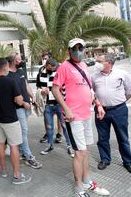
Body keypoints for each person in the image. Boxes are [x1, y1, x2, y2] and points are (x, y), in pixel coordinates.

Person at [52, 38, 109, 197]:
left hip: (86, 114)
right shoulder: (64, 67)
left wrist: (97, 104)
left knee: (86, 150)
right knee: (79, 152)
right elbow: (55, 90)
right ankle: (78, 187)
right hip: (73, 117)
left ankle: (88, 181)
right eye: (74, 48)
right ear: (69, 50)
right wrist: (66, 109)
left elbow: (89, 89)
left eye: (81, 48)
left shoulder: (84, 65)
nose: (78, 51)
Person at [92, 53, 131, 176]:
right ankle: (105, 159)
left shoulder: (122, 74)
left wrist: (118, 103)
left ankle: (128, 162)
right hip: (101, 111)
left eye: (99, 61)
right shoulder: (94, 76)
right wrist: (99, 104)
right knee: (102, 137)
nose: (97, 63)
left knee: (123, 137)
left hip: (119, 110)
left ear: (109, 63)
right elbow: (91, 93)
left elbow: (130, 92)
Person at [0, 58, 31, 185]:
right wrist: (22, 102)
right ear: (5, 68)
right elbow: (19, 101)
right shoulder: (10, 81)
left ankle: (3, 170)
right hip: (10, 119)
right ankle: (16, 176)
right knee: (14, 145)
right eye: (7, 67)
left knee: (0, 144)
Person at [7, 53, 42, 169]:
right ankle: (29, 157)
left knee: (23, 131)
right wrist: (23, 103)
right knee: (24, 132)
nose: (21, 60)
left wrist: (32, 97)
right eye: (19, 59)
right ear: (13, 62)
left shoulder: (21, 71)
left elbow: (26, 85)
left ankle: (21, 151)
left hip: (27, 106)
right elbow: (11, 96)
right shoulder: (8, 75)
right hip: (19, 108)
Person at [37, 58, 75, 157]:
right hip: (47, 104)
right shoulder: (41, 72)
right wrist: (41, 91)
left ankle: (69, 146)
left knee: (64, 126)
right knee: (49, 127)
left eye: (54, 68)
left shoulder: (59, 71)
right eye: (51, 68)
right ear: (46, 65)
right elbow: (38, 86)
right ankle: (49, 145)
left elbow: (66, 87)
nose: (53, 70)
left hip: (59, 104)